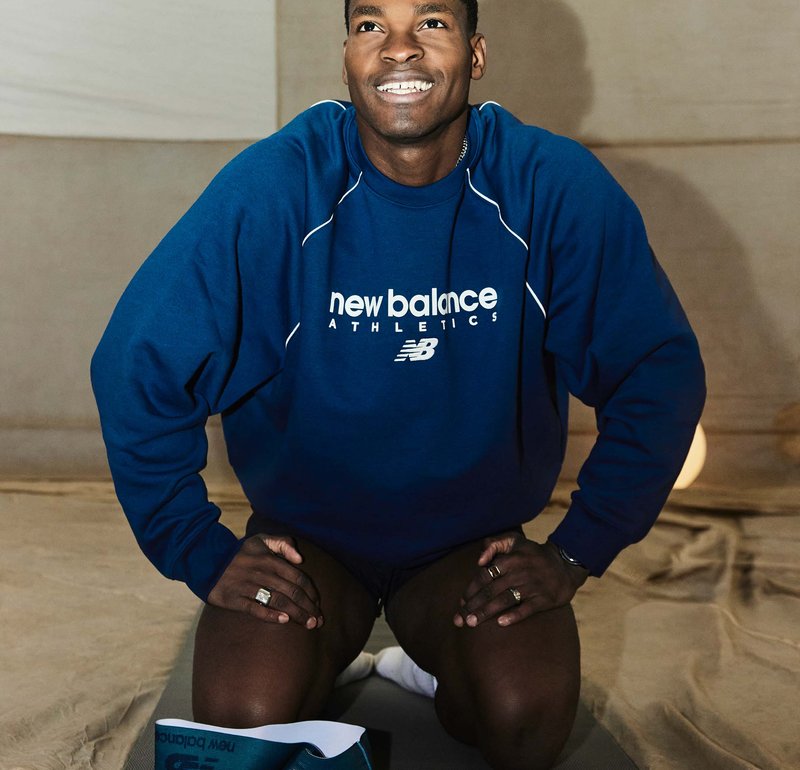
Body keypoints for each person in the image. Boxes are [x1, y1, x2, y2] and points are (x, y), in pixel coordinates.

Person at [91, 1, 706, 767]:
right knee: (246, 723)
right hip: (310, 543)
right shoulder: (279, 185)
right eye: (371, 25)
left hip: (467, 546)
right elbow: (136, 361)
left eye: (433, 23)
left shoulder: (550, 186)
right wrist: (198, 548)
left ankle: (430, 665)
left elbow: (658, 370)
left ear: (475, 55)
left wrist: (578, 550)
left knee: (526, 720)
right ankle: (326, 658)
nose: (400, 49)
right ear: (347, 54)